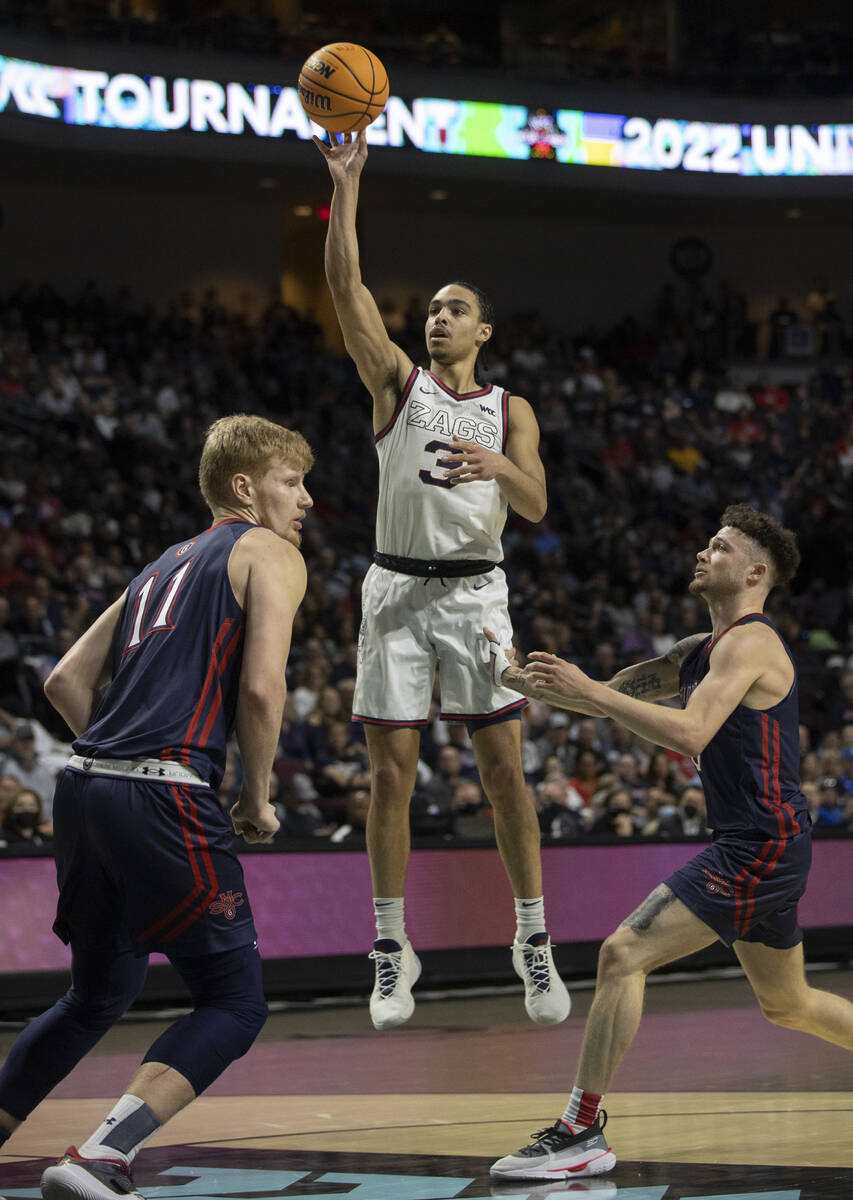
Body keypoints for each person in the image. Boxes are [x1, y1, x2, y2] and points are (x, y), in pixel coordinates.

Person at [486, 504, 853, 1180]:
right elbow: (608, 698)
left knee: (622, 953)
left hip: (758, 846)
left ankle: (580, 1129)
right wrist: (514, 679)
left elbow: (689, 733)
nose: (702, 552)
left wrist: (587, 686)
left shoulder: (752, 643)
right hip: (764, 843)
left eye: (719, 547)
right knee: (788, 1004)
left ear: (754, 571)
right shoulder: (696, 653)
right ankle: (580, 1130)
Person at [0, 415, 313, 1200]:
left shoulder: (158, 566)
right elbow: (261, 688)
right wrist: (256, 796)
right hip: (163, 793)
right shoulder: (270, 552)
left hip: (82, 788)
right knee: (235, 1002)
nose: (305, 500)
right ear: (244, 487)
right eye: (291, 481)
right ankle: (102, 1155)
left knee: (98, 993)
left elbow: (64, 682)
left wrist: (115, 760)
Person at [315, 129, 569, 1030]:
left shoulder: (511, 411)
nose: (436, 317)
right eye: (429, 307)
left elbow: (536, 506)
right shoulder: (395, 384)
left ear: (484, 331)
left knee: (504, 772)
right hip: (393, 592)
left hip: (475, 593)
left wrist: (497, 467)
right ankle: (391, 948)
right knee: (390, 776)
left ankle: (530, 938)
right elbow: (344, 288)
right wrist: (345, 186)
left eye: (454, 309)